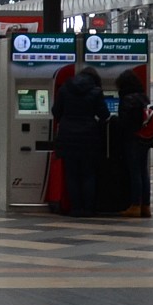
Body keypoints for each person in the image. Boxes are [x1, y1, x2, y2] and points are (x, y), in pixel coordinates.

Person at [50, 65, 109, 216]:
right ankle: (88, 209)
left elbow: (56, 111)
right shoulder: (96, 91)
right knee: (88, 174)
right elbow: (104, 115)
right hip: (89, 136)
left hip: (68, 135)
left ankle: (75, 208)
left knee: (72, 174)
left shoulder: (65, 88)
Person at [113, 67, 153, 219]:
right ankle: (146, 206)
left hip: (132, 139)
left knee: (134, 172)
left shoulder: (127, 99)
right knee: (143, 172)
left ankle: (135, 205)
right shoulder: (144, 98)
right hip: (145, 139)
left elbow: (124, 122)